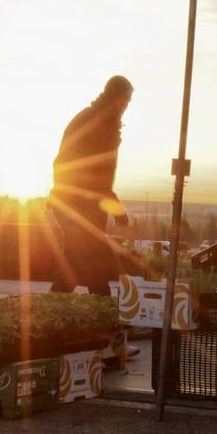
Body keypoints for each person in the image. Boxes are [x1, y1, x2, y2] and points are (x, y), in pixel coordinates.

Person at [49, 75, 134, 295]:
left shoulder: (106, 123)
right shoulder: (91, 121)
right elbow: (68, 166)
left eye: (128, 102)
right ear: (113, 96)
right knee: (98, 264)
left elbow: (100, 178)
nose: (125, 106)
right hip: (75, 207)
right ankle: (104, 307)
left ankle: (52, 307)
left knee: (75, 266)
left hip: (85, 207)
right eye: (124, 100)